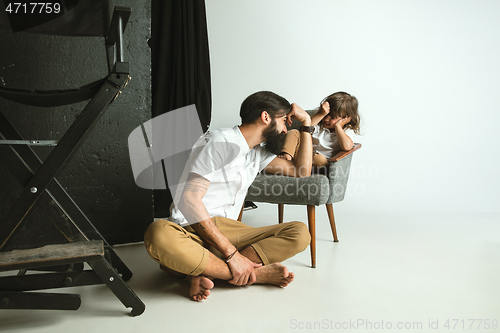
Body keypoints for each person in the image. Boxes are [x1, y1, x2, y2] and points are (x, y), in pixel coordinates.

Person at [144, 91, 314, 301]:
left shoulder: (257, 153)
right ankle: (254, 274)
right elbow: (189, 201)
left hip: (229, 231)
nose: (286, 129)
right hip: (191, 230)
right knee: (159, 234)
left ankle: (199, 271)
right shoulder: (219, 141)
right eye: (284, 122)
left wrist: (306, 124)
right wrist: (232, 255)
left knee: (299, 233)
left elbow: (302, 171)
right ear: (265, 117)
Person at [278, 91, 361, 170]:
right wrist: (321, 114)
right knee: (294, 132)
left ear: (345, 118)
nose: (327, 119)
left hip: (318, 163)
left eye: (333, 117)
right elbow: (306, 128)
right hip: (301, 155)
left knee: (319, 159)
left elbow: (346, 147)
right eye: (326, 114)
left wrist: (338, 126)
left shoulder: (346, 131)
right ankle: (287, 158)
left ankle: (296, 167)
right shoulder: (319, 124)